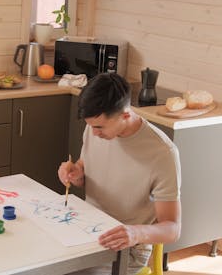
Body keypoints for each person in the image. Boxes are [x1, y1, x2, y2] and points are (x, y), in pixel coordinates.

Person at [58, 73, 181, 275]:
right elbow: (85, 168)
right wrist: (76, 173)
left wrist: (135, 233)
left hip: (126, 248)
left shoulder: (162, 153)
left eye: (99, 127)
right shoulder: (94, 128)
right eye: (90, 126)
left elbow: (173, 228)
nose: (94, 133)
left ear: (125, 115)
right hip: (85, 228)